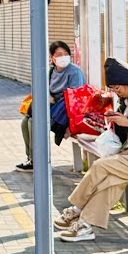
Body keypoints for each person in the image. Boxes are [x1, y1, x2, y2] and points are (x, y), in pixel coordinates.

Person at [55, 57, 128, 242]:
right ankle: (86, 226)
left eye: (118, 88)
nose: (116, 92)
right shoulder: (126, 100)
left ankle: (76, 209)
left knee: (100, 167)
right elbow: (123, 136)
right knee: (109, 182)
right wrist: (115, 121)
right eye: (113, 89)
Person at [16, 41, 86, 172]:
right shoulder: (51, 72)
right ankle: (31, 158)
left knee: (34, 121)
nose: (63, 57)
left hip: (66, 112)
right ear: (52, 57)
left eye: (66, 54)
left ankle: (37, 161)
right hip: (54, 109)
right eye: (59, 54)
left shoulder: (74, 72)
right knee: (25, 122)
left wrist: (55, 99)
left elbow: (76, 97)